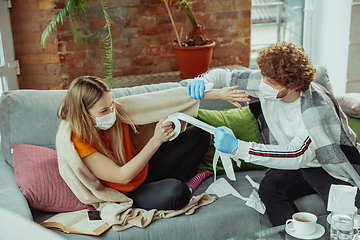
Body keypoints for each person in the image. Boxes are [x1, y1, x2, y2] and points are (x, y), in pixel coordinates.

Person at [186, 41, 360, 226]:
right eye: (263, 77)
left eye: (272, 83)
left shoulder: (316, 109)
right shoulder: (267, 81)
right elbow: (223, 75)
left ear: (292, 86)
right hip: (295, 167)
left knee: (346, 214)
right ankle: (292, 236)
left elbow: (297, 154)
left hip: (326, 167)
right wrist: (203, 80)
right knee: (269, 191)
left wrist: (239, 148)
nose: (263, 85)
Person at [56, 76, 244, 211]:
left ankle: (177, 182)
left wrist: (219, 94)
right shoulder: (77, 141)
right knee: (176, 193)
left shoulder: (117, 111)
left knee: (200, 135)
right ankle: (183, 186)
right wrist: (156, 140)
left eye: (111, 104)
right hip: (127, 192)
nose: (112, 112)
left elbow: (165, 100)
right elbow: (122, 177)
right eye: (104, 110)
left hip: (145, 170)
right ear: (83, 115)